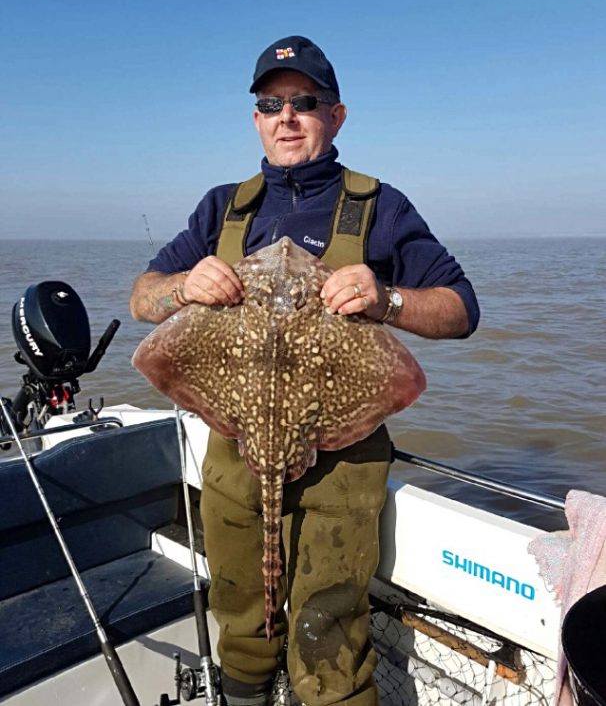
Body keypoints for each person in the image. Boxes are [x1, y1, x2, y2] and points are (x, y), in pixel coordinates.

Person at [130, 35, 480, 706]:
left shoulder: (378, 207)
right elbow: (143, 299)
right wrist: (182, 288)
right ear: (255, 117)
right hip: (236, 451)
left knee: (329, 637)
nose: (286, 117)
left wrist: (389, 297)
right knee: (240, 617)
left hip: (341, 466)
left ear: (336, 115)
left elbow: (461, 309)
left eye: (304, 102)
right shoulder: (224, 208)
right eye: (270, 103)